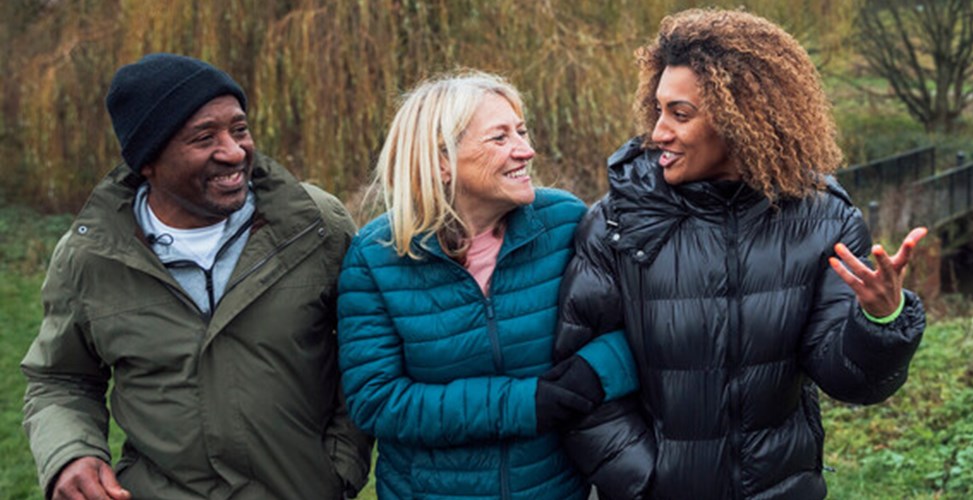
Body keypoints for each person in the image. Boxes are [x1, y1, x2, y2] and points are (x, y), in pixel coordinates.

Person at [554, 9, 930, 499]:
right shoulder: (618, 223)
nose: (658, 132)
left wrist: (880, 322)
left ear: (743, 119)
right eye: (659, 109)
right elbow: (581, 386)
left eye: (680, 114)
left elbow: (851, 381)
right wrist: (646, 480)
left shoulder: (825, 221)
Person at [20, 53, 373, 499]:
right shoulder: (90, 255)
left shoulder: (315, 224)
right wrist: (70, 452)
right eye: (204, 137)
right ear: (148, 160)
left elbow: (367, 346)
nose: (234, 151)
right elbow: (60, 377)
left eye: (239, 129)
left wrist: (339, 467)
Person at [336, 71, 638, 499]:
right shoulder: (377, 255)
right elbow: (377, 400)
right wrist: (524, 403)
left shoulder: (566, 223)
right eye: (500, 138)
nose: (526, 150)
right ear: (441, 161)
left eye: (522, 131)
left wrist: (592, 374)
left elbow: (636, 326)